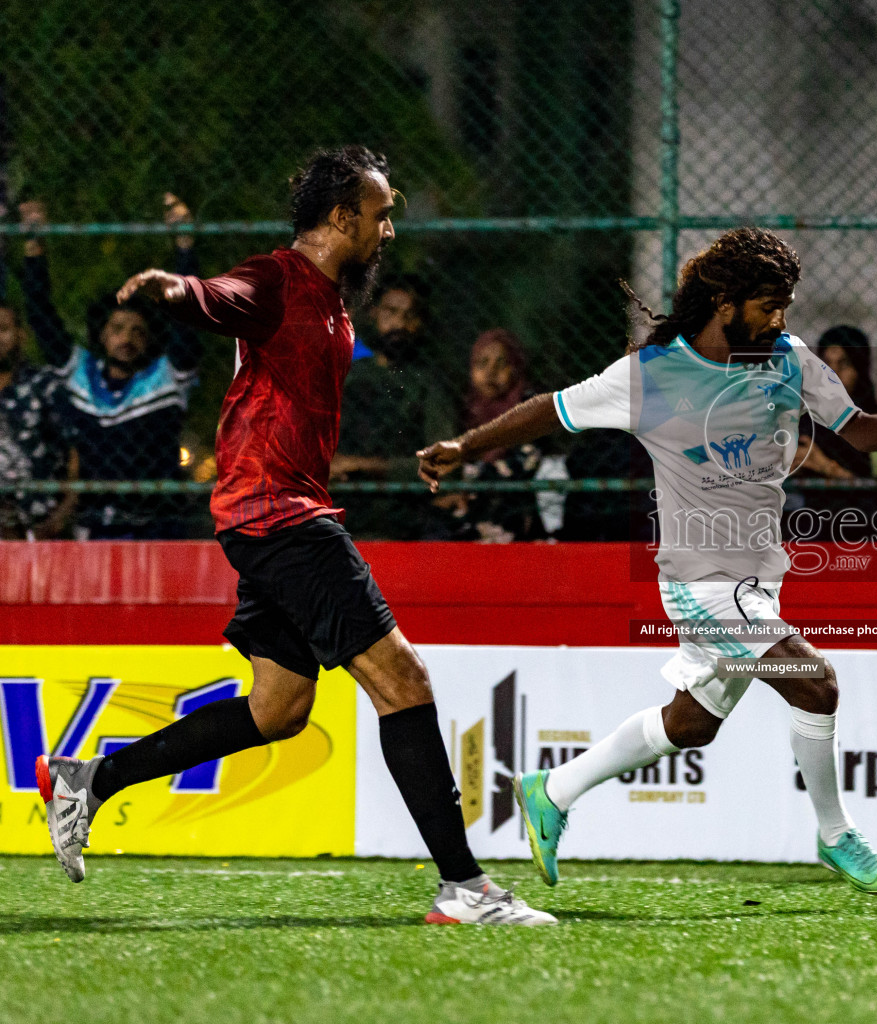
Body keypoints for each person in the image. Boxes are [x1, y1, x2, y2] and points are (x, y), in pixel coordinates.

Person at [36, 146, 552, 927]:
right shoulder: (279, 278)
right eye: (380, 216)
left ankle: (93, 780)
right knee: (402, 681)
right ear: (341, 217)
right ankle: (465, 889)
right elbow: (219, 296)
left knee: (279, 710)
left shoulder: (337, 301)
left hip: (268, 513)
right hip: (280, 514)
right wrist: (172, 288)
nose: (387, 231)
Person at [417, 227, 877, 893]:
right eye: (768, 305)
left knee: (689, 725)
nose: (781, 319)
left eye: (787, 305)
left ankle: (553, 788)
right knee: (818, 682)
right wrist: (464, 447)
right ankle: (837, 837)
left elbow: (856, 426)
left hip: (758, 581)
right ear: (724, 302)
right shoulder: (650, 375)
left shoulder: (790, 359)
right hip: (700, 581)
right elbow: (551, 412)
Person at [19, 196, 203, 537]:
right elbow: (41, 317)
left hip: (158, 526)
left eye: (138, 332)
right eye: (117, 329)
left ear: (149, 340)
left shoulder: (165, 377)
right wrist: (34, 244)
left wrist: (185, 246)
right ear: (102, 334)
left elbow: (188, 322)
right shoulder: (80, 373)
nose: (126, 339)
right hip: (93, 523)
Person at [333, 272, 457, 539]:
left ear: (421, 323)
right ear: (374, 313)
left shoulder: (429, 384)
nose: (399, 322)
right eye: (391, 312)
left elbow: (441, 460)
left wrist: (361, 465)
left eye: (410, 315)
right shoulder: (347, 376)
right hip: (341, 502)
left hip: (404, 507)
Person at [428, 327, 554, 541]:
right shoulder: (464, 410)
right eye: (482, 363)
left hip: (513, 507)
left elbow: (525, 461)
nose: (490, 372)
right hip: (467, 504)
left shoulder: (531, 408)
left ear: (516, 368)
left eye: (501, 364)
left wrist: (467, 482)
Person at [791, 325, 877, 543]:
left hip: (866, 530)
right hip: (809, 530)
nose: (832, 375)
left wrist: (827, 467)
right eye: (826, 365)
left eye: (843, 364)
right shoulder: (806, 420)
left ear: (860, 369)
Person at [0, 297, 76, 538]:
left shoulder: (44, 384)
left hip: (39, 525)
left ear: (21, 335)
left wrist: (62, 514)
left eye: (2, 329)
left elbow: (75, 452)